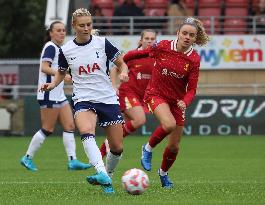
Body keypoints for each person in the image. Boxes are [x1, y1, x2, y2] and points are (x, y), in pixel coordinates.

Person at [40, 8, 128, 194]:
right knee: (86, 131)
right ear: (74, 26)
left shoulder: (102, 43)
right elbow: (61, 73)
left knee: (117, 148)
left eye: (89, 24)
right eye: (82, 25)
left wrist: (124, 71)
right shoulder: (66, 50)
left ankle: (108, 177)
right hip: (83, 99)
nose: (86, 28)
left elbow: (121, 62)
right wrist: (52, 84)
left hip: (107, 98)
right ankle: (101, 172)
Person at [140, 17, 209, 188]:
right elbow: (142, 53)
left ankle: (163, 174)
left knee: (174, 147)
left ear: (195, 38)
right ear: (177, 33)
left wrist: (185, 101)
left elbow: (192, 89)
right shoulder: (163, 45)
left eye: (191, 35)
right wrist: (122, 60)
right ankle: (147, 149)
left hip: (177, 101)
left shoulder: (193, 59)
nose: (187, 37)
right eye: (184, 33)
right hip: (156, 94)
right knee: (169, 124)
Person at [20, 21, 91, 172]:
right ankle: (27, 157)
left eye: (64, 30)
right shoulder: (50, 47)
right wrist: (63, 75)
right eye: (58, 30)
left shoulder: (60, 49)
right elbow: (44, 67)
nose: (62, 33)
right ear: (51, 33)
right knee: (47, 128)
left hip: (58, 95)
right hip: (48, 94)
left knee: (70, 126)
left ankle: (72, 161)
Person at [99, 29, 157, 157]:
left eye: (152, 39)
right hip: (128, 93)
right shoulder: (132, 55)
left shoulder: (156, 58)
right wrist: (114, 87)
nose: (149, 41)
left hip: (141, 97)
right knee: (140, 119)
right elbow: (114, 69)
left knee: (119, 130)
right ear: (141, 40)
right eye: (147, 38)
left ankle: (100, 154)